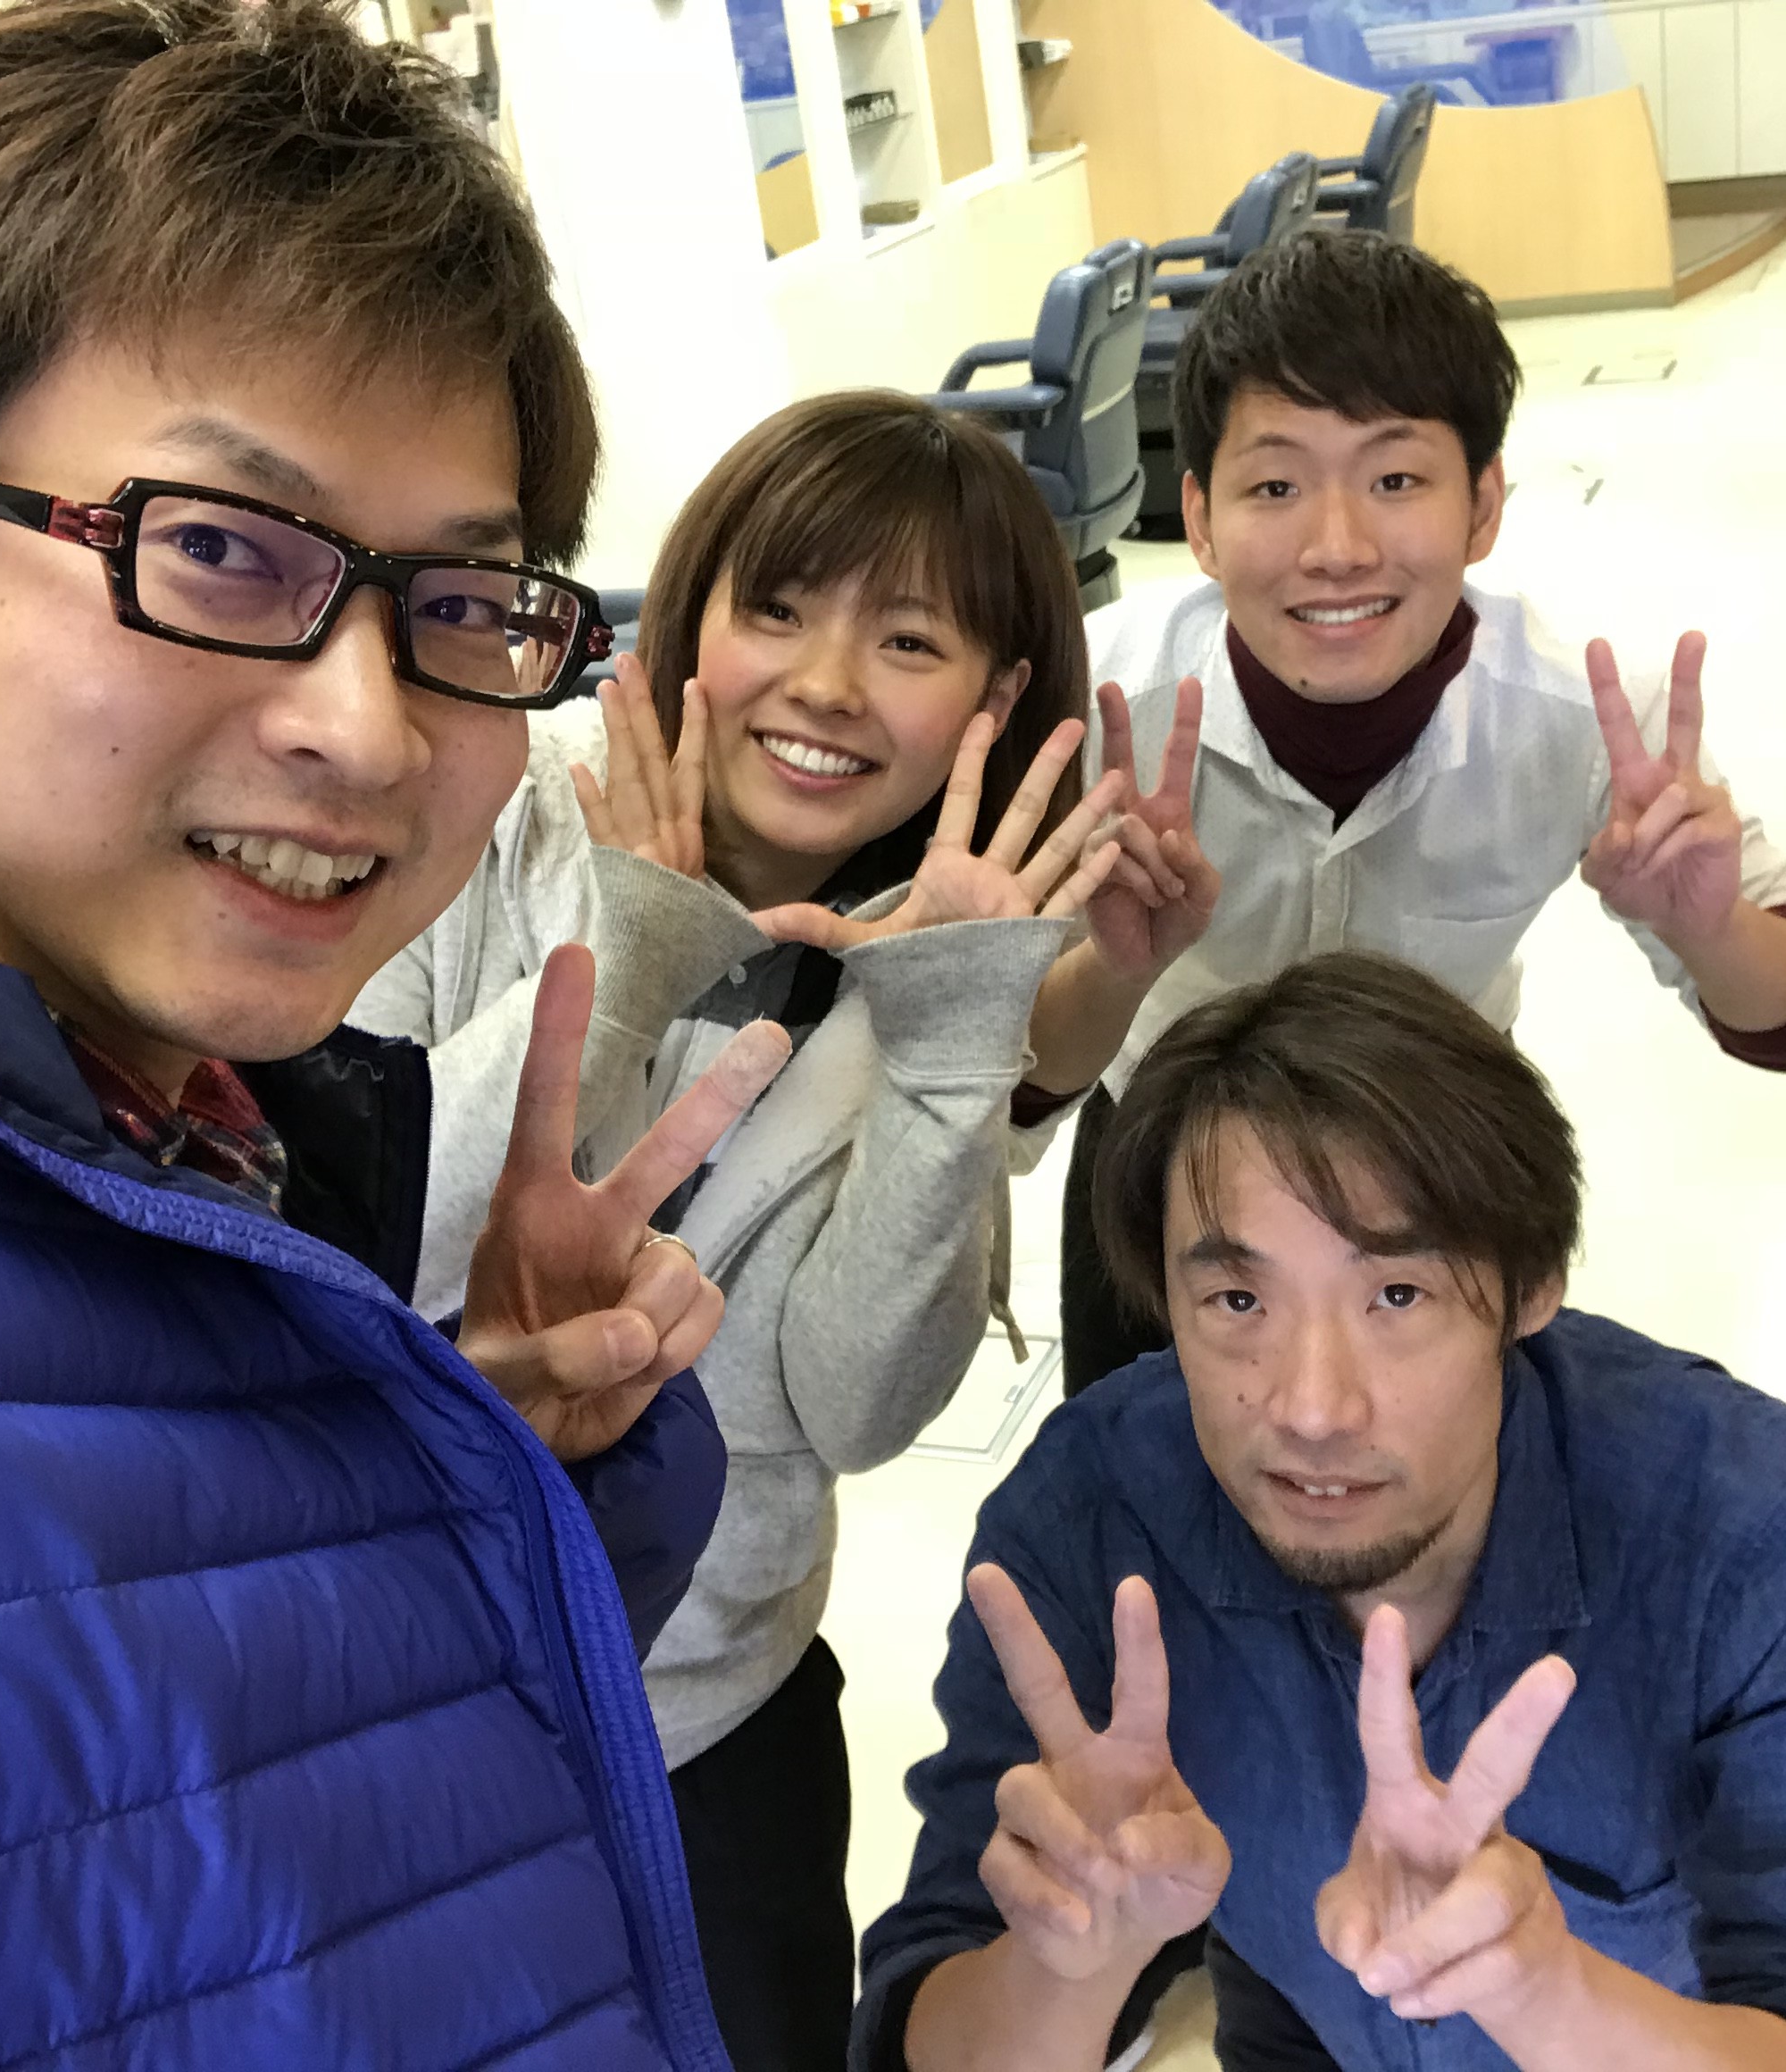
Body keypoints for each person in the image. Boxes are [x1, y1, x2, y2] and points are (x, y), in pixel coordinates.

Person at [0, 4, 785, 2062]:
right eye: (221, 549)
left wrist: (469, 1461)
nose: (364, 725)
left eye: (460, 604)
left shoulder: (223, 1144)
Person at [353, 389, 1216, 2071]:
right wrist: (628, 958)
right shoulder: (495, 811)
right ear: (689, 619)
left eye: (908, 641)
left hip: (711, 1713)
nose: (824, 685)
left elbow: (857, 1406)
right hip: (385, 1693)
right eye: (777, 609)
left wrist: (958, 1030)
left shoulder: (945, 944)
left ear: (994, 702)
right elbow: (364, 1243)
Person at [857, 951, 1786, 2072]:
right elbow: (925, 2023)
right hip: (1303, 2020)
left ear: (1532, 1285)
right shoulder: (1091, 1520)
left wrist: (1544, 1991)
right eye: (1237, 1298)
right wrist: (1066, 1967)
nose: (1313, 1409)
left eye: (1397, 1293)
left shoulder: (1757, 1539)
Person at [1055, 230, 1786, 1394]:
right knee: (1131, 1478)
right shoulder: (1094, 707)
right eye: (1275, 486)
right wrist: (1112, 967)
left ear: (1484, 504)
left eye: (1396, 480)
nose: (1337, 550)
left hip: (1429, 1167)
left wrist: (1708, 927)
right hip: (1158, 1169)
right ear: (1197, 517)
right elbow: (1017, 1072)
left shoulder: (1588, 719)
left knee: (1433, 1489)